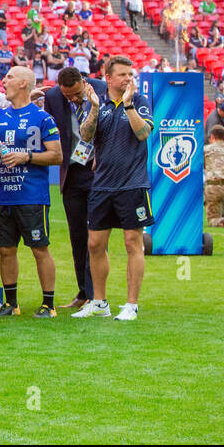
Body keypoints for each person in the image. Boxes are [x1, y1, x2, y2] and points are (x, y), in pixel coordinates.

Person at [74, 56, 154, 320]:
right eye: (122, 74)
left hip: (133, 184)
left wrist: (129, 105)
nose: (128, 78)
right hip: (102, 186)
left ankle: (131, 305)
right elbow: (85, 136)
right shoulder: (96, 103)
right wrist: (95, 108)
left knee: (133, 243)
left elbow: (143, 134)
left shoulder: (140, 102)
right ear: (108, 78)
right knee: (95, 243)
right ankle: (99, 302)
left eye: (130, 74)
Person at [0, 67, 62, 318]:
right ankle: (11, 303)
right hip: (4, 195)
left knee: (39, 248)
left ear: (24, 84)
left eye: (9, 78)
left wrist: (26, 155)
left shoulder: (43, 118)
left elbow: (57, 155)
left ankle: (48, 304)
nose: (3, 81)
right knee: (6, 250)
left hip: (32, 195)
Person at [41, 66, 108, 309]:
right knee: (77, 236)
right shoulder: (52, 98)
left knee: (97, 237)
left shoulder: (101, 89)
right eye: (68, 96)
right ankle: (84, 291)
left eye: (77, 94)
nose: (74, 99)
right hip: (71, 172)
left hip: (98, 171)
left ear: (83, 82)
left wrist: (104, 154)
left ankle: (96, 293)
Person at [204, 126, 224, 227]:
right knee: (219, 195)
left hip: (214, 187)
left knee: (213, 219)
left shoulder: (206, 150)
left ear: (212, 136)